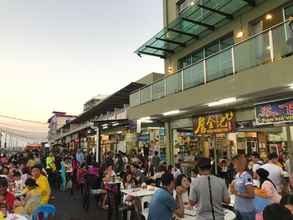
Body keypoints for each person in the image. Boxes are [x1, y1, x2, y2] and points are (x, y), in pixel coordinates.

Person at [230, 156, 255, 220]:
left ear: (241, 164)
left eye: (235, 164)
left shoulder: (247, 176)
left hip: (246, 211)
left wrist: (237, 193)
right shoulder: (237, 175)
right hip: (237, 208)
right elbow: (233, 189)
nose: (234, 167)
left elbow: (251, 195)